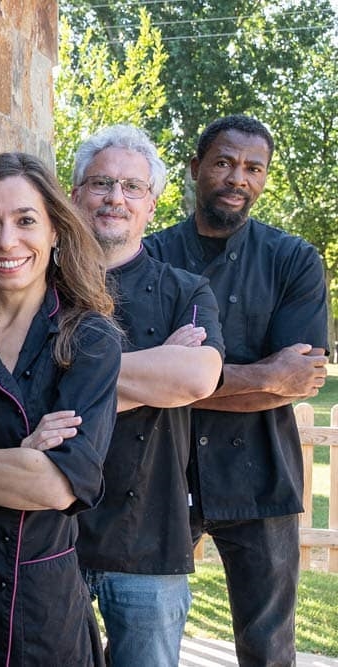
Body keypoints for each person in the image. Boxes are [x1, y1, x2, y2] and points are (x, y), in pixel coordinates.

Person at [145, 114, 329, 667]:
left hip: (261, 473)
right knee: (143, 632)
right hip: (160, 470)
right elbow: (136, 377)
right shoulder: (148, 257)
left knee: (268, 646)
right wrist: (267, 374)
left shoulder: (293, 260)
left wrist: (178, 379)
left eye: (254, 168)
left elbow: (300, 380)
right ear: (195, 167)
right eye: (224, 162)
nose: (237, 178)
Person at [0, 152, 120, 666]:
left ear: (55, 230)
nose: (6, 241)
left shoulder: (90, 340)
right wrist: (21, 456)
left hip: (45, 612)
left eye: (25, 221)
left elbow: (58, 485)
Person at [70, 125, 224, 666]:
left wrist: (70, 378)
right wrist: (155, 371)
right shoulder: (41, 284)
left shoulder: (187, 289)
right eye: (101, 183)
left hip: (150, 539)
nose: (116, 198)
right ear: (75, 195)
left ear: (151, 205)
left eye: (132, 187)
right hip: (51, 534)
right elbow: (23, 389)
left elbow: (197, 379)